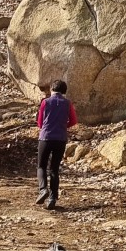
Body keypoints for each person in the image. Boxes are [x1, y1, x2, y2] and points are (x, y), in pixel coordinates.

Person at [36, 79, 77, 209]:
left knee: (41, 166)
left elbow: (40, 122)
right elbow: (74, 120)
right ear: (64, 91)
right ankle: (52, 199)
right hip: (60, 139)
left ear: (52, 89)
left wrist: (45, 127)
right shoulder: (67, 103)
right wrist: (63, 126)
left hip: (46, 137)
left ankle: (43, 189)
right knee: (54, 169)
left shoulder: (45, 102)